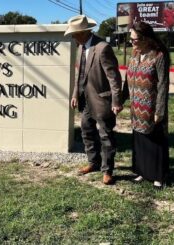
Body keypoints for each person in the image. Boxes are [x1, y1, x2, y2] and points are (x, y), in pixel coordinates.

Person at [64, 15, 123, 185]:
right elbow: (79, 75)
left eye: (74, 34)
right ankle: (93, 163)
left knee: (106, 135)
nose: (72, 37)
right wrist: (75, 94)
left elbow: (114, 78)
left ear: (83, 32)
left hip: (102, 101)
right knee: (86, 131)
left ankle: (107, 170)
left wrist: (116, 101)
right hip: (85, 100)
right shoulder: (81, 48)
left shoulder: (102, 47)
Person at [122, 21, 170, 189]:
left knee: (155, 141)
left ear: (145, 38)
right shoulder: (135, 54)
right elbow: (127, 79)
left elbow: (163, 84)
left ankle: (158, 176)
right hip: (136, 107)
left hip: (151, 107)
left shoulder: (159, 55)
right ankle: (142, 171)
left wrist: (160, 110)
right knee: (139, 140)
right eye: (131, 39)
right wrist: (122, 99)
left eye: (134, 39)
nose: (131, 42)